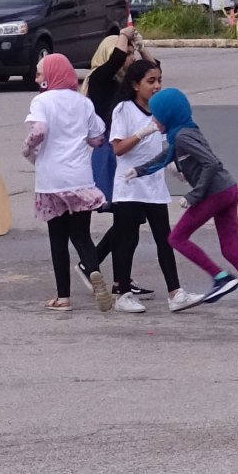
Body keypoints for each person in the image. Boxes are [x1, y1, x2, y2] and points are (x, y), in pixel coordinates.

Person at [137, 87, 238, 325]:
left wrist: (194, 195)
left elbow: (211, 163)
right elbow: (165, 157)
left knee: (176, 238)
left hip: (216, 194)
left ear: (168, 115)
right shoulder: (181, 133)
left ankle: (220, 278)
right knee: (230, 250)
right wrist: (137, 171)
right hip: (228, 190)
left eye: (157, 115)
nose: (154, 121)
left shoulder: (182, 136)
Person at [97, 59, 210, 314]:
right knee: (126, 239)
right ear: (136, 84)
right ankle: (123, 293)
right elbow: (117, 148)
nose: (157, 86)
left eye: (159, 80)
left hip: (154, 187)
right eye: (151, 81)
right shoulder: (123, 110)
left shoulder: (161, 111)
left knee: (165, 239)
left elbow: (165, 147)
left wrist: (175, 168)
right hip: (129, 185)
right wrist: (144, 132)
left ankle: (175, 293)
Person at [23, 52, 110, 312]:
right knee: (82, 235)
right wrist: (86, 141)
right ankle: (94, 272)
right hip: (80, 179)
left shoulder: (42, 101)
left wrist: (28, 149)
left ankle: (63, 297)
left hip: (51, 179)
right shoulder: (83, 103)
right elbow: (98, 135)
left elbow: (39, 131)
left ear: (50, 77)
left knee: (57, 239)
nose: (36, 78)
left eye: (40, 73)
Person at [82, 28, 157, 296]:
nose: (128, 57)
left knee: (130, 221)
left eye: (129, 53)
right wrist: (123, 36)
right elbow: (113, 61)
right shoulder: (100, 79)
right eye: (126, 54)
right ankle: (94, 265)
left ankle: (117, 279)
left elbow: (153, 72)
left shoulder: (127, 84)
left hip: (129, 153)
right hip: (112, 155)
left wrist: (140, 45)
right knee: (129, 219)